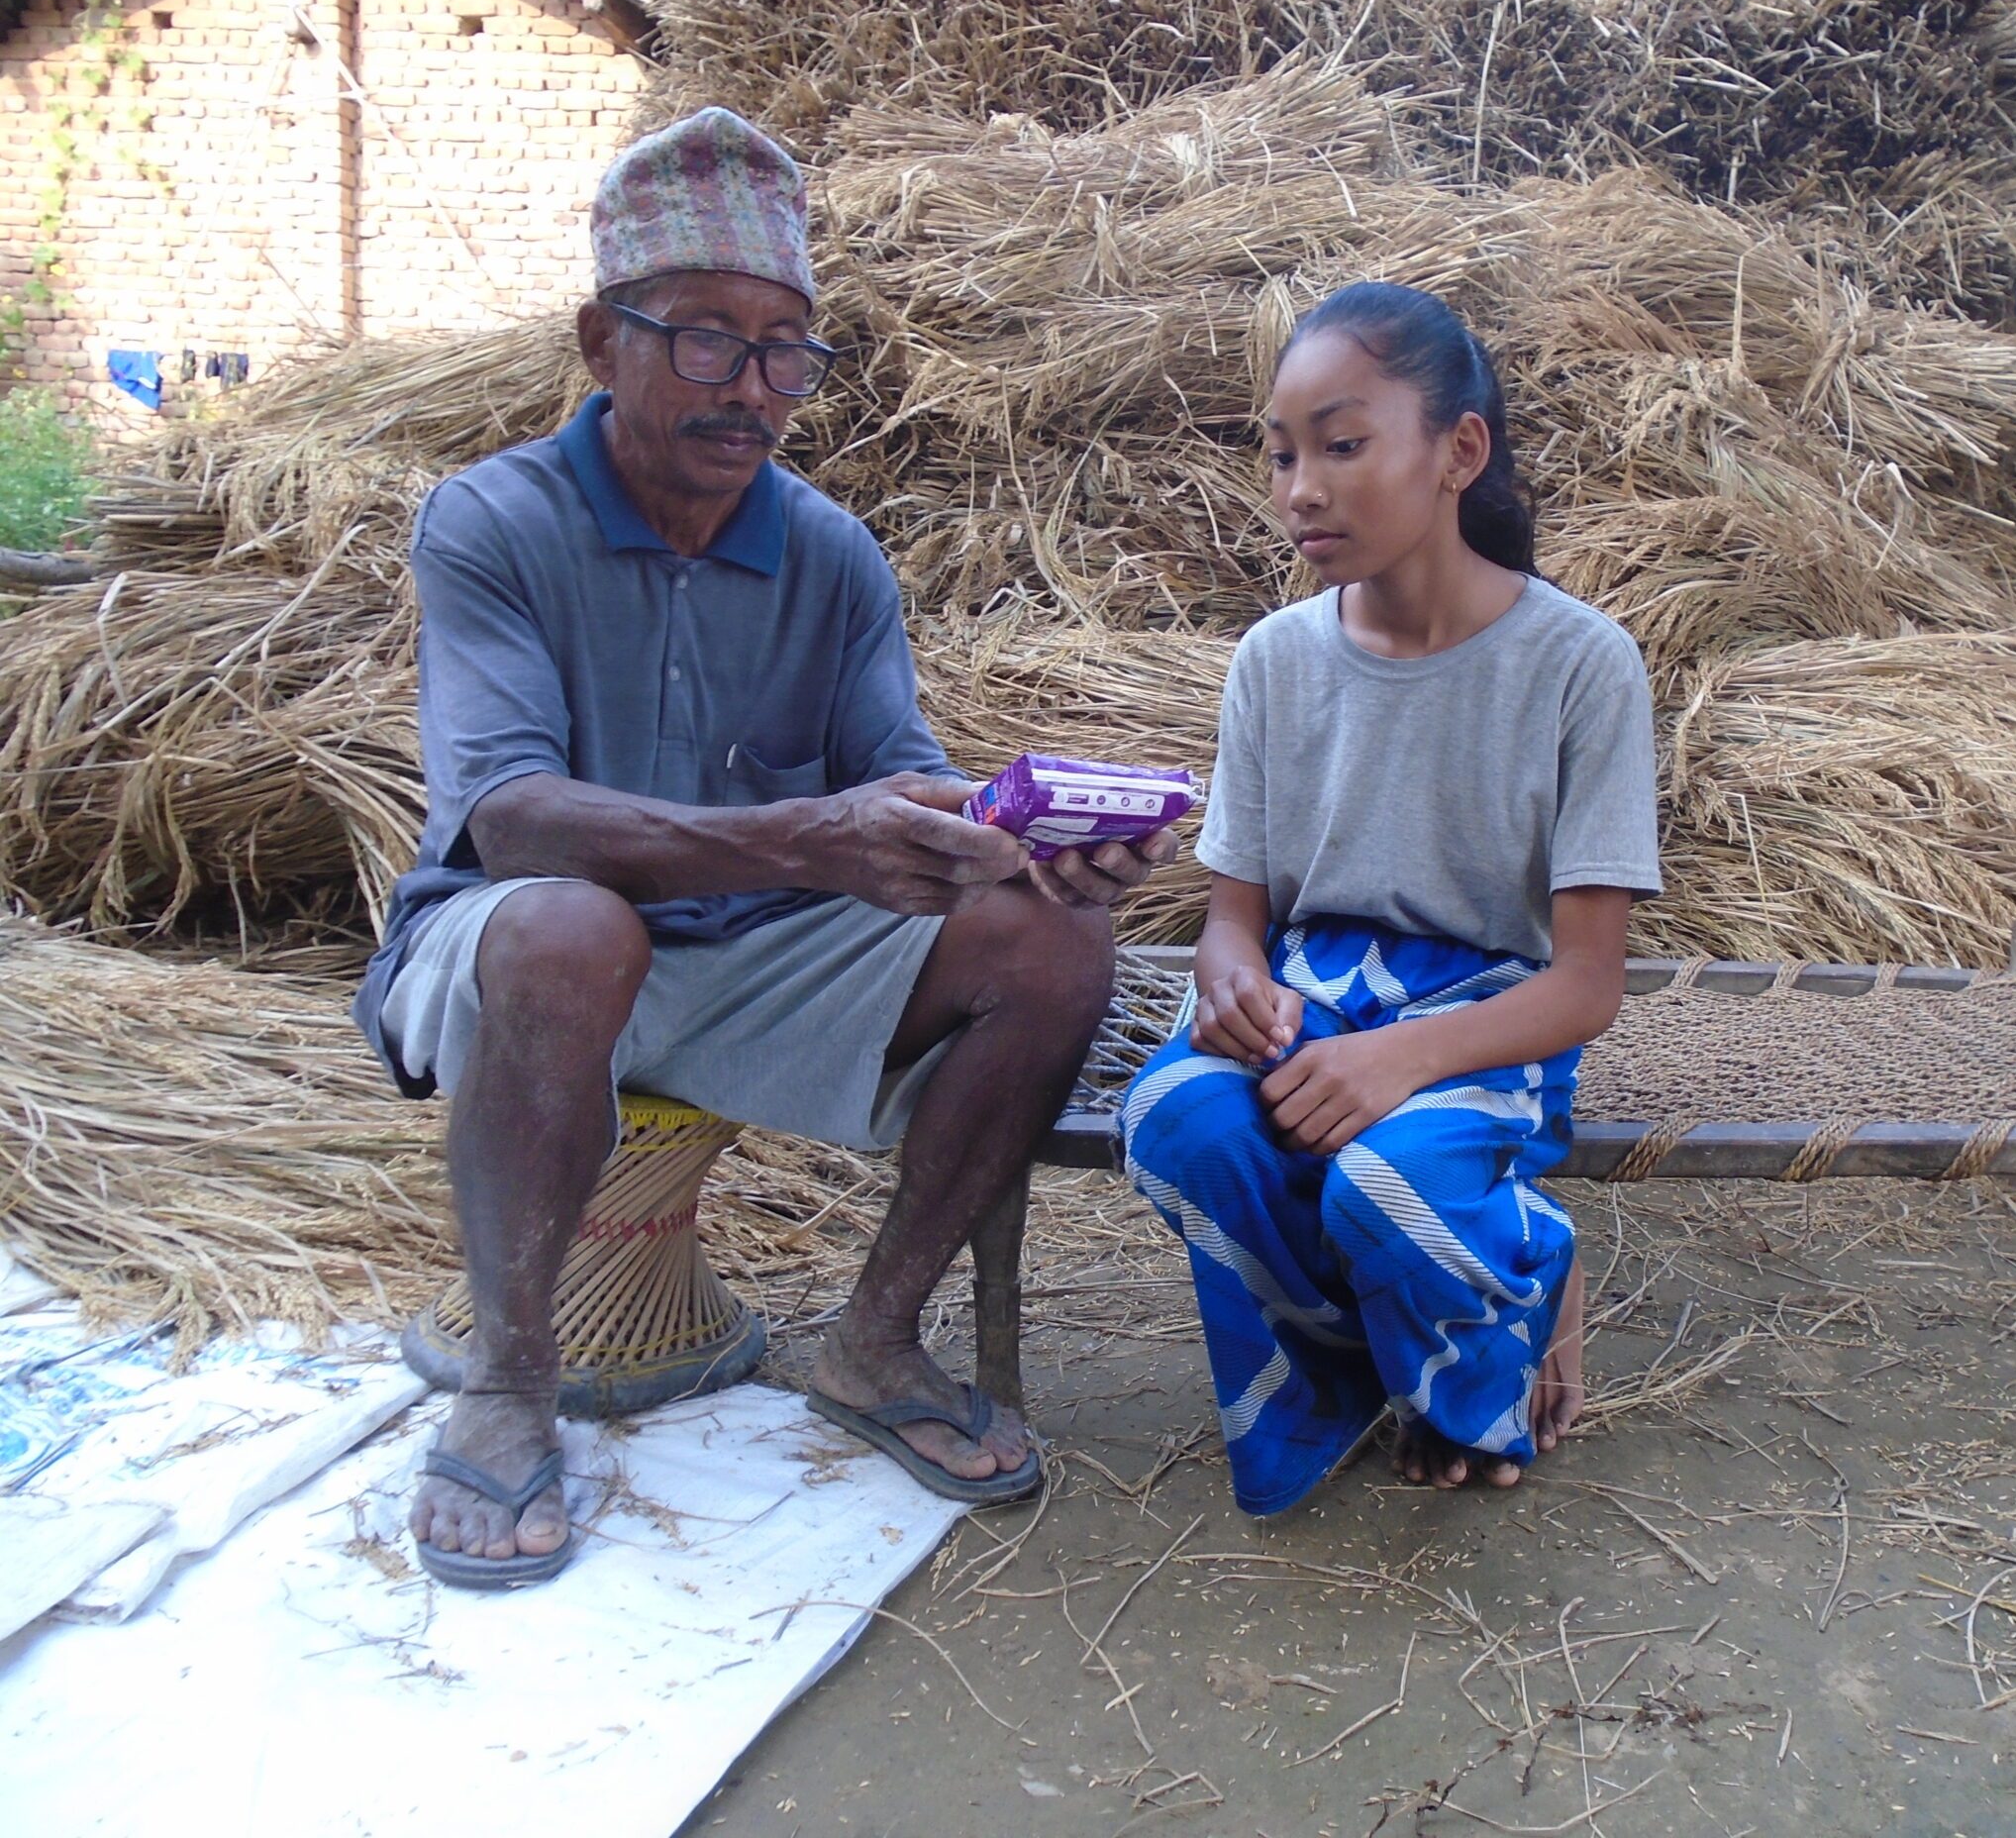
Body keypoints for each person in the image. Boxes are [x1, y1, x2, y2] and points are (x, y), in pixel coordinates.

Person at [353, 108, 1177, 1587]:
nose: (757, 389)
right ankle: (511, 1379)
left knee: (1055, 943)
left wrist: (1011, 847)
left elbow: (893, 778)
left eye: (789, 347)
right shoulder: (491, 522)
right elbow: (515, 819)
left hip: (749, 960)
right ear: (603, 338)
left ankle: (872, 1343)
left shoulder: (830, 551)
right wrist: (811, 842)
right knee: (565, 925)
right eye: (708, 341)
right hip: (510, 952)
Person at [1121, 282, 1662, 1518]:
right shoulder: (1275, 660)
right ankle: (1369, 1357)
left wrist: (1396, 1065)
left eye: (1342, 443)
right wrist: (1230, 979)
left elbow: (1585, 984)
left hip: (1485, 1022)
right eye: (1281, 452)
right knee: (1176, 1118)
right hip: (1312, 1007)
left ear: (1458, 451)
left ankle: (1500, 1316)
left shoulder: (1580, 666)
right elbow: (1233, 913)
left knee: (1388, 1179)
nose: (1300, 486)